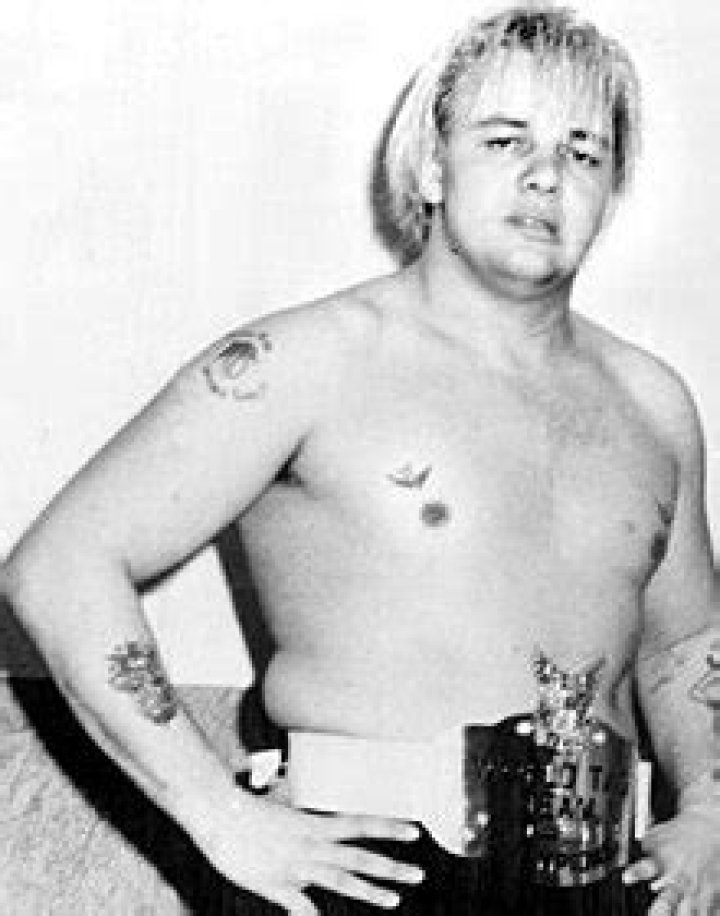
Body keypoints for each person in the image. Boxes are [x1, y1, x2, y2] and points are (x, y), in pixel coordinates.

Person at [3, 5, 720, 914]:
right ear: (431, 166)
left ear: (611, 188)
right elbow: (61, 565)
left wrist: (710, 808)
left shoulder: (653, 402)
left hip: (601, 881)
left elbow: (686, 642)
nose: (546, 176)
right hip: (366, 873)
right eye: (505, 140)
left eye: (583, 153)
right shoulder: (305, 362)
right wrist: (218, 815)